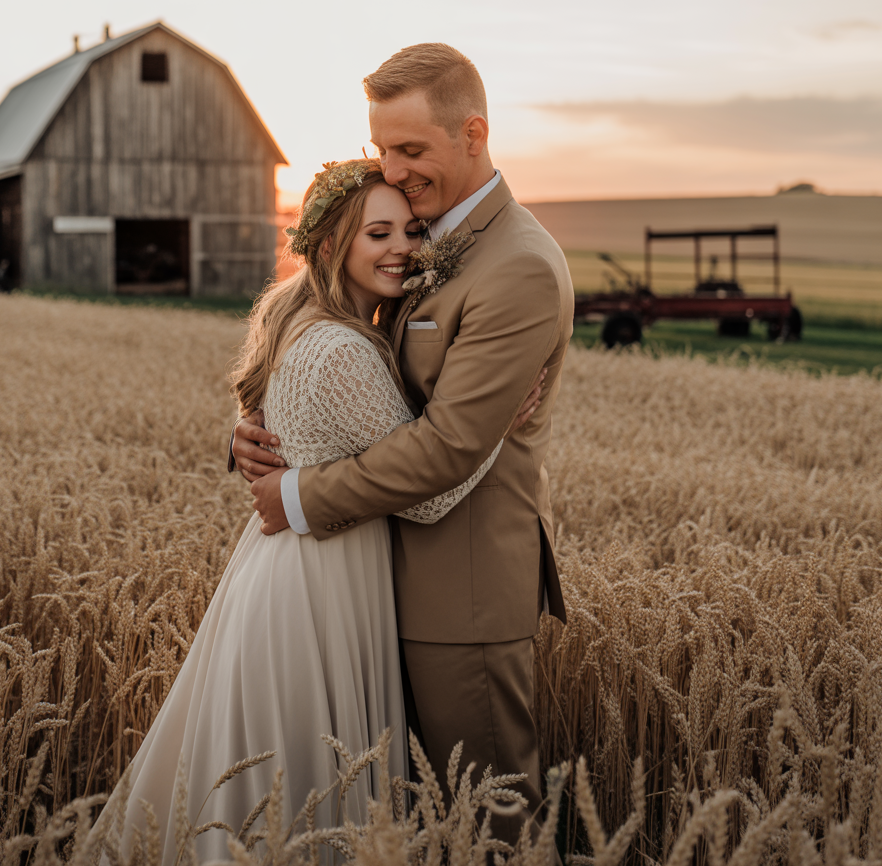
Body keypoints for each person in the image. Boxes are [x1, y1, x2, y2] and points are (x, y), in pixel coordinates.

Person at [98, 160, 539, 863]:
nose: (404, 247)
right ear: (332, 246)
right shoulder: (342, 349)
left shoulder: (297, 318)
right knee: (311, 790)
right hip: (319, 586)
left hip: (286, 567)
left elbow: (283, 425)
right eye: (379, 233)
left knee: (282, 789)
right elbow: (429, 497)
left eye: (412, 230)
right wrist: (496, 426)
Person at [232, 43, 574, 842]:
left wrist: (295, 493)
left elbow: (450, 448)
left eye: (410, 149)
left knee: (494, 830)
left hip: (461, 593)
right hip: (373, 584)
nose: (392, 166)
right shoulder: (425, 242)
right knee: (410, 826)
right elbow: (335, 348)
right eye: (383, 147)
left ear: (474, 134)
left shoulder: (515, 266)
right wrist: (259, 433)